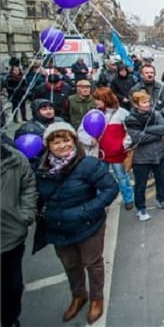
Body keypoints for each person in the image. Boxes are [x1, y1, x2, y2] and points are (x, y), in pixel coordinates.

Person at [34, 122, 118, 324]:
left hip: (87, 225)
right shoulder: (41, 168)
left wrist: (87, 211)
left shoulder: (87, 164)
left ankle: (96, 298)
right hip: (57, 228)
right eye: (56, 142)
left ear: (74, 141)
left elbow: (110, 188)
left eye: (66, 140)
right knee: (70, 264)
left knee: (92, 262)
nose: (62, 146)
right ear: (48, 145)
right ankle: (78, 295)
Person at [1, 141, 38, 327]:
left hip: (9, 238)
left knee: (11, 286)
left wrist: (24, 216)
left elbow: (28, 187)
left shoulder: (14, 159)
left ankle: (10, 320)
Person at [80, 87, 134, 210]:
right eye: (95, 100)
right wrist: (89, 140)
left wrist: (123, 145)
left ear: (106, 99)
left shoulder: (122, 113)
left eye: (98, 99)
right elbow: (81, 131)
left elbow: (130, 131)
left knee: (122, 176)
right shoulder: (92, 114)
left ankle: (129, 199)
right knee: (100, 178)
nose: (96, 102)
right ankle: (102, 201)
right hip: (99, 153)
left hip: (117, 153)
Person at [125, 90, 164, 222]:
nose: (147, 104)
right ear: (136, 104)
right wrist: (155, 134)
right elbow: (137, 138)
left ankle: (162, 199)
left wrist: (146, 130)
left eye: (148, 101)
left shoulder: (156, 114)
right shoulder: (131, 119)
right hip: (141, 157)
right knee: (141, 184)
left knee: (161, 179)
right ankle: (141, 208)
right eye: (144, 102)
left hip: (159, 154)